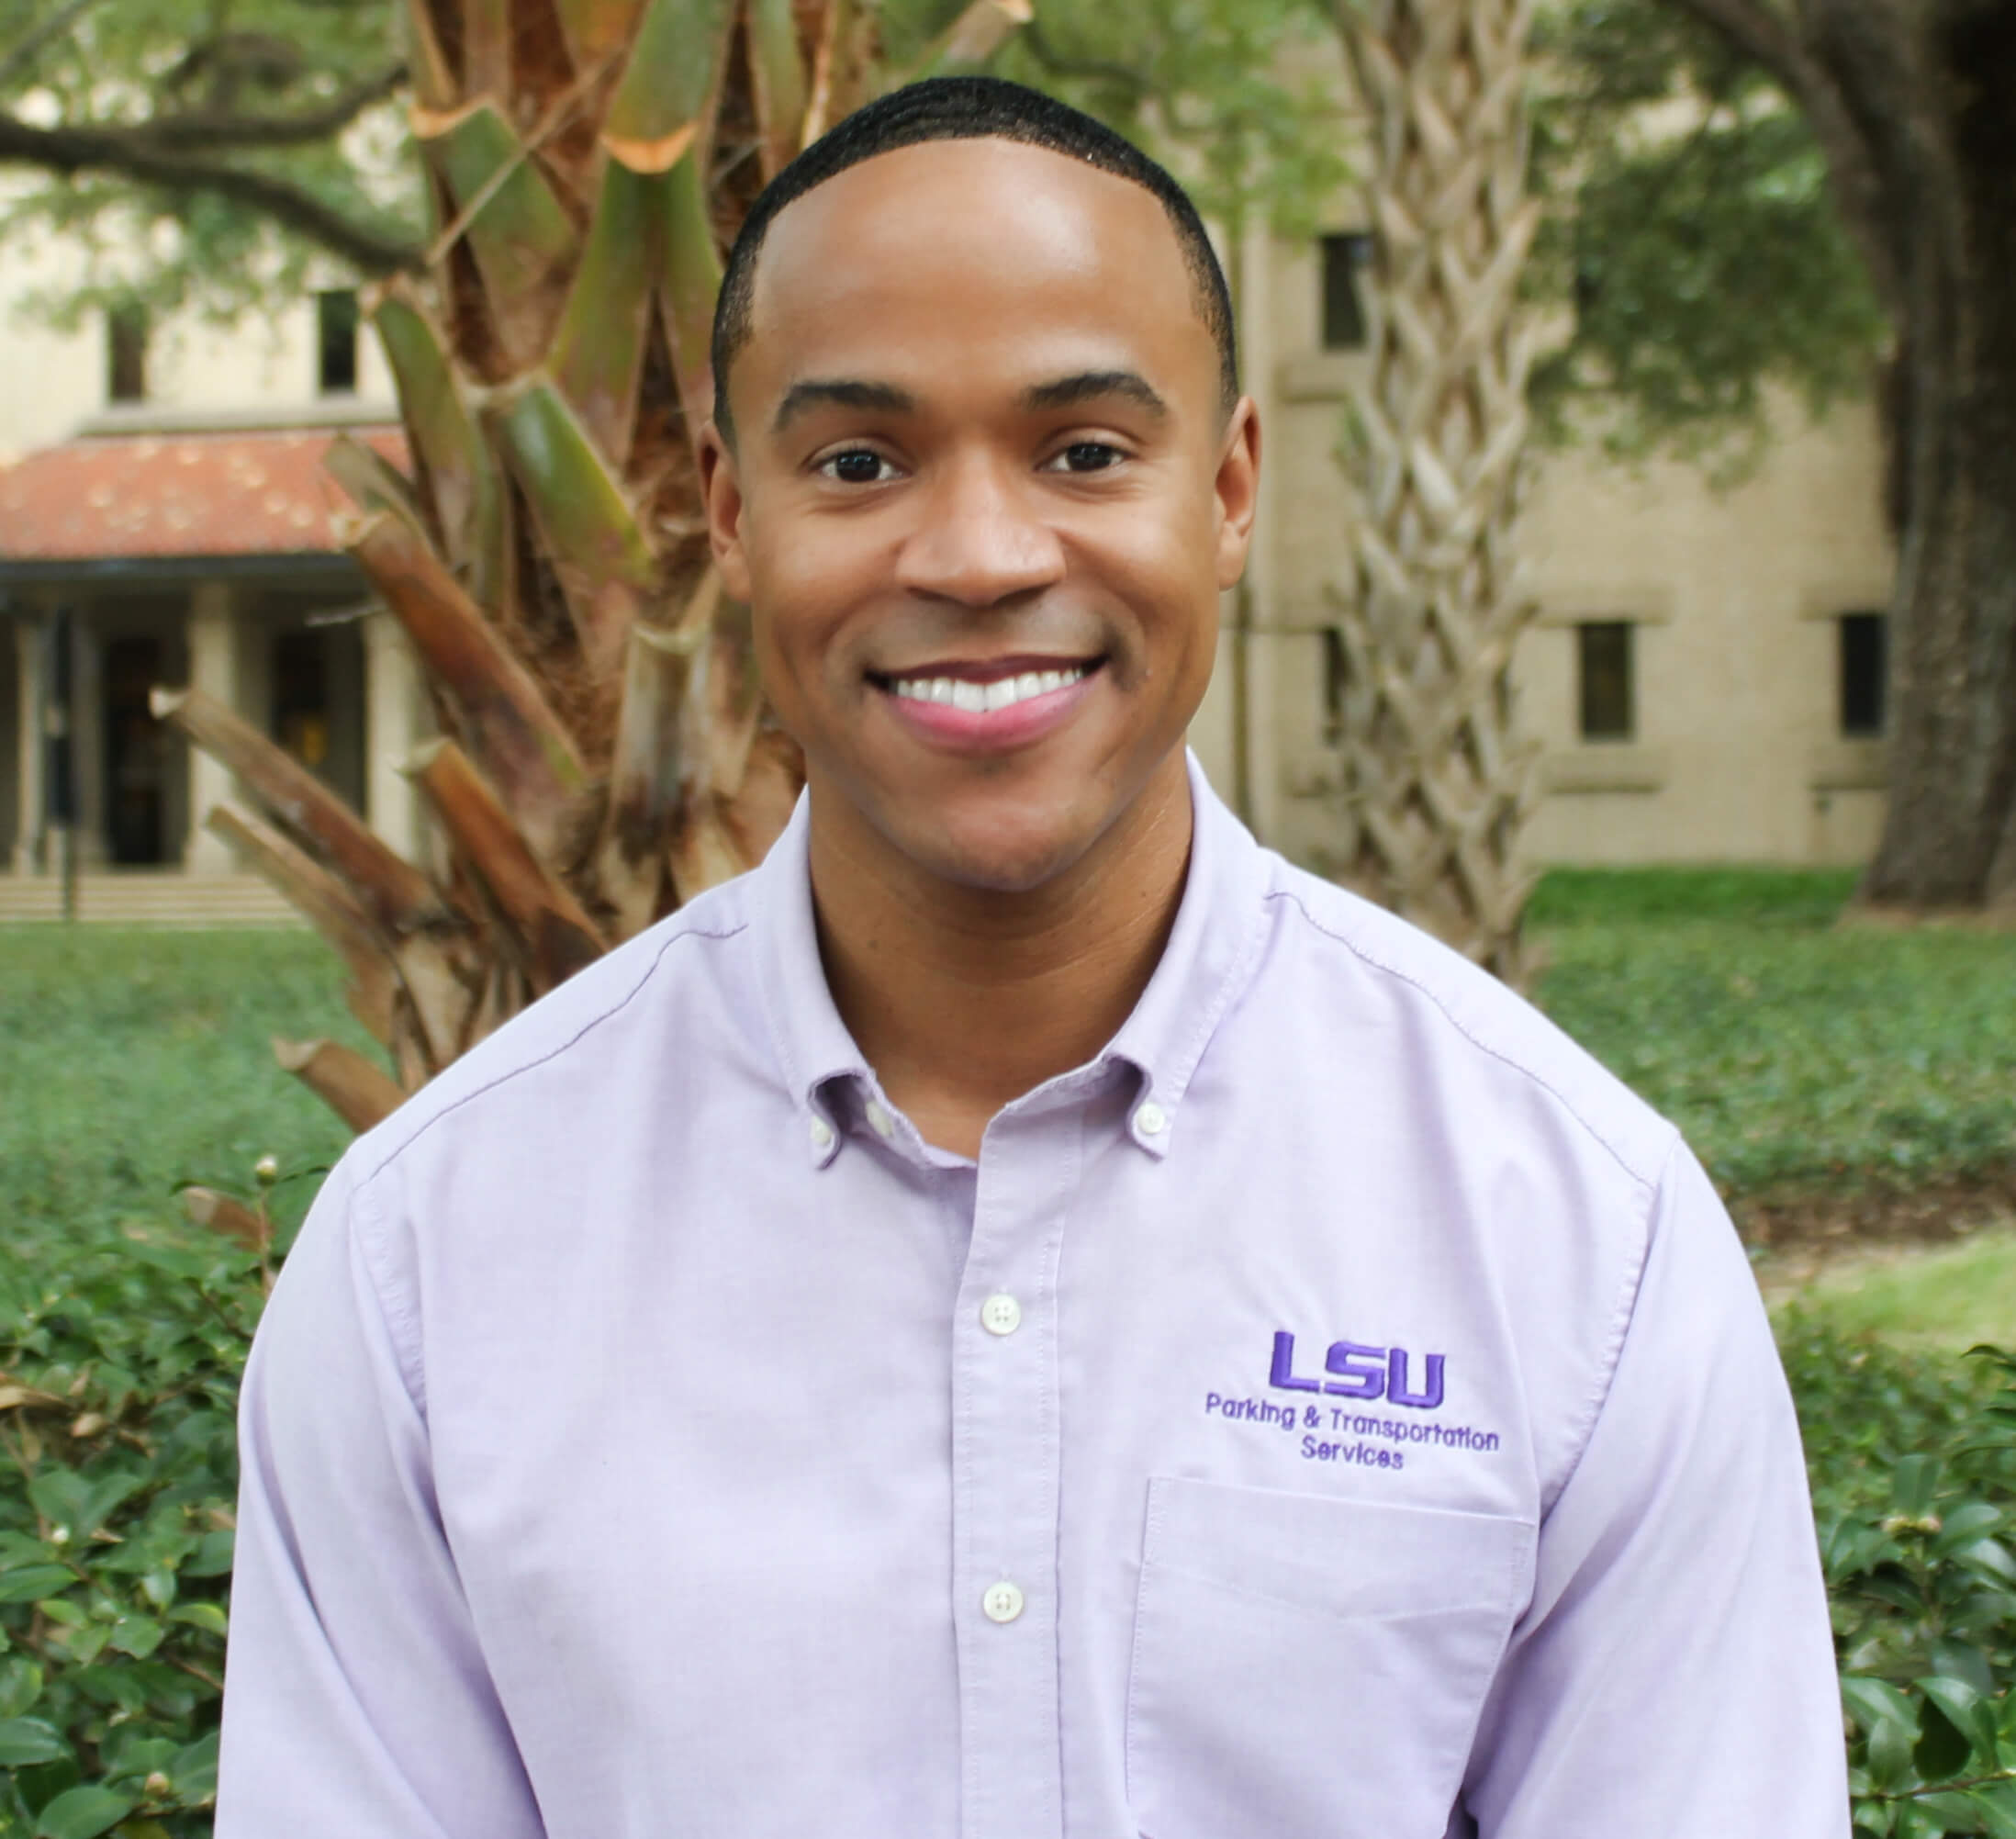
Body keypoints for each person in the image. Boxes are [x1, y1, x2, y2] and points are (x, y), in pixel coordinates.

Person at [215, 74, 1848, 1838]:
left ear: (1226, 490)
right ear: (731, 511)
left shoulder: (1573, 1232)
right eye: (859, 460)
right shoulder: (427, 1260)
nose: (982, 556)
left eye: (1083, 451)